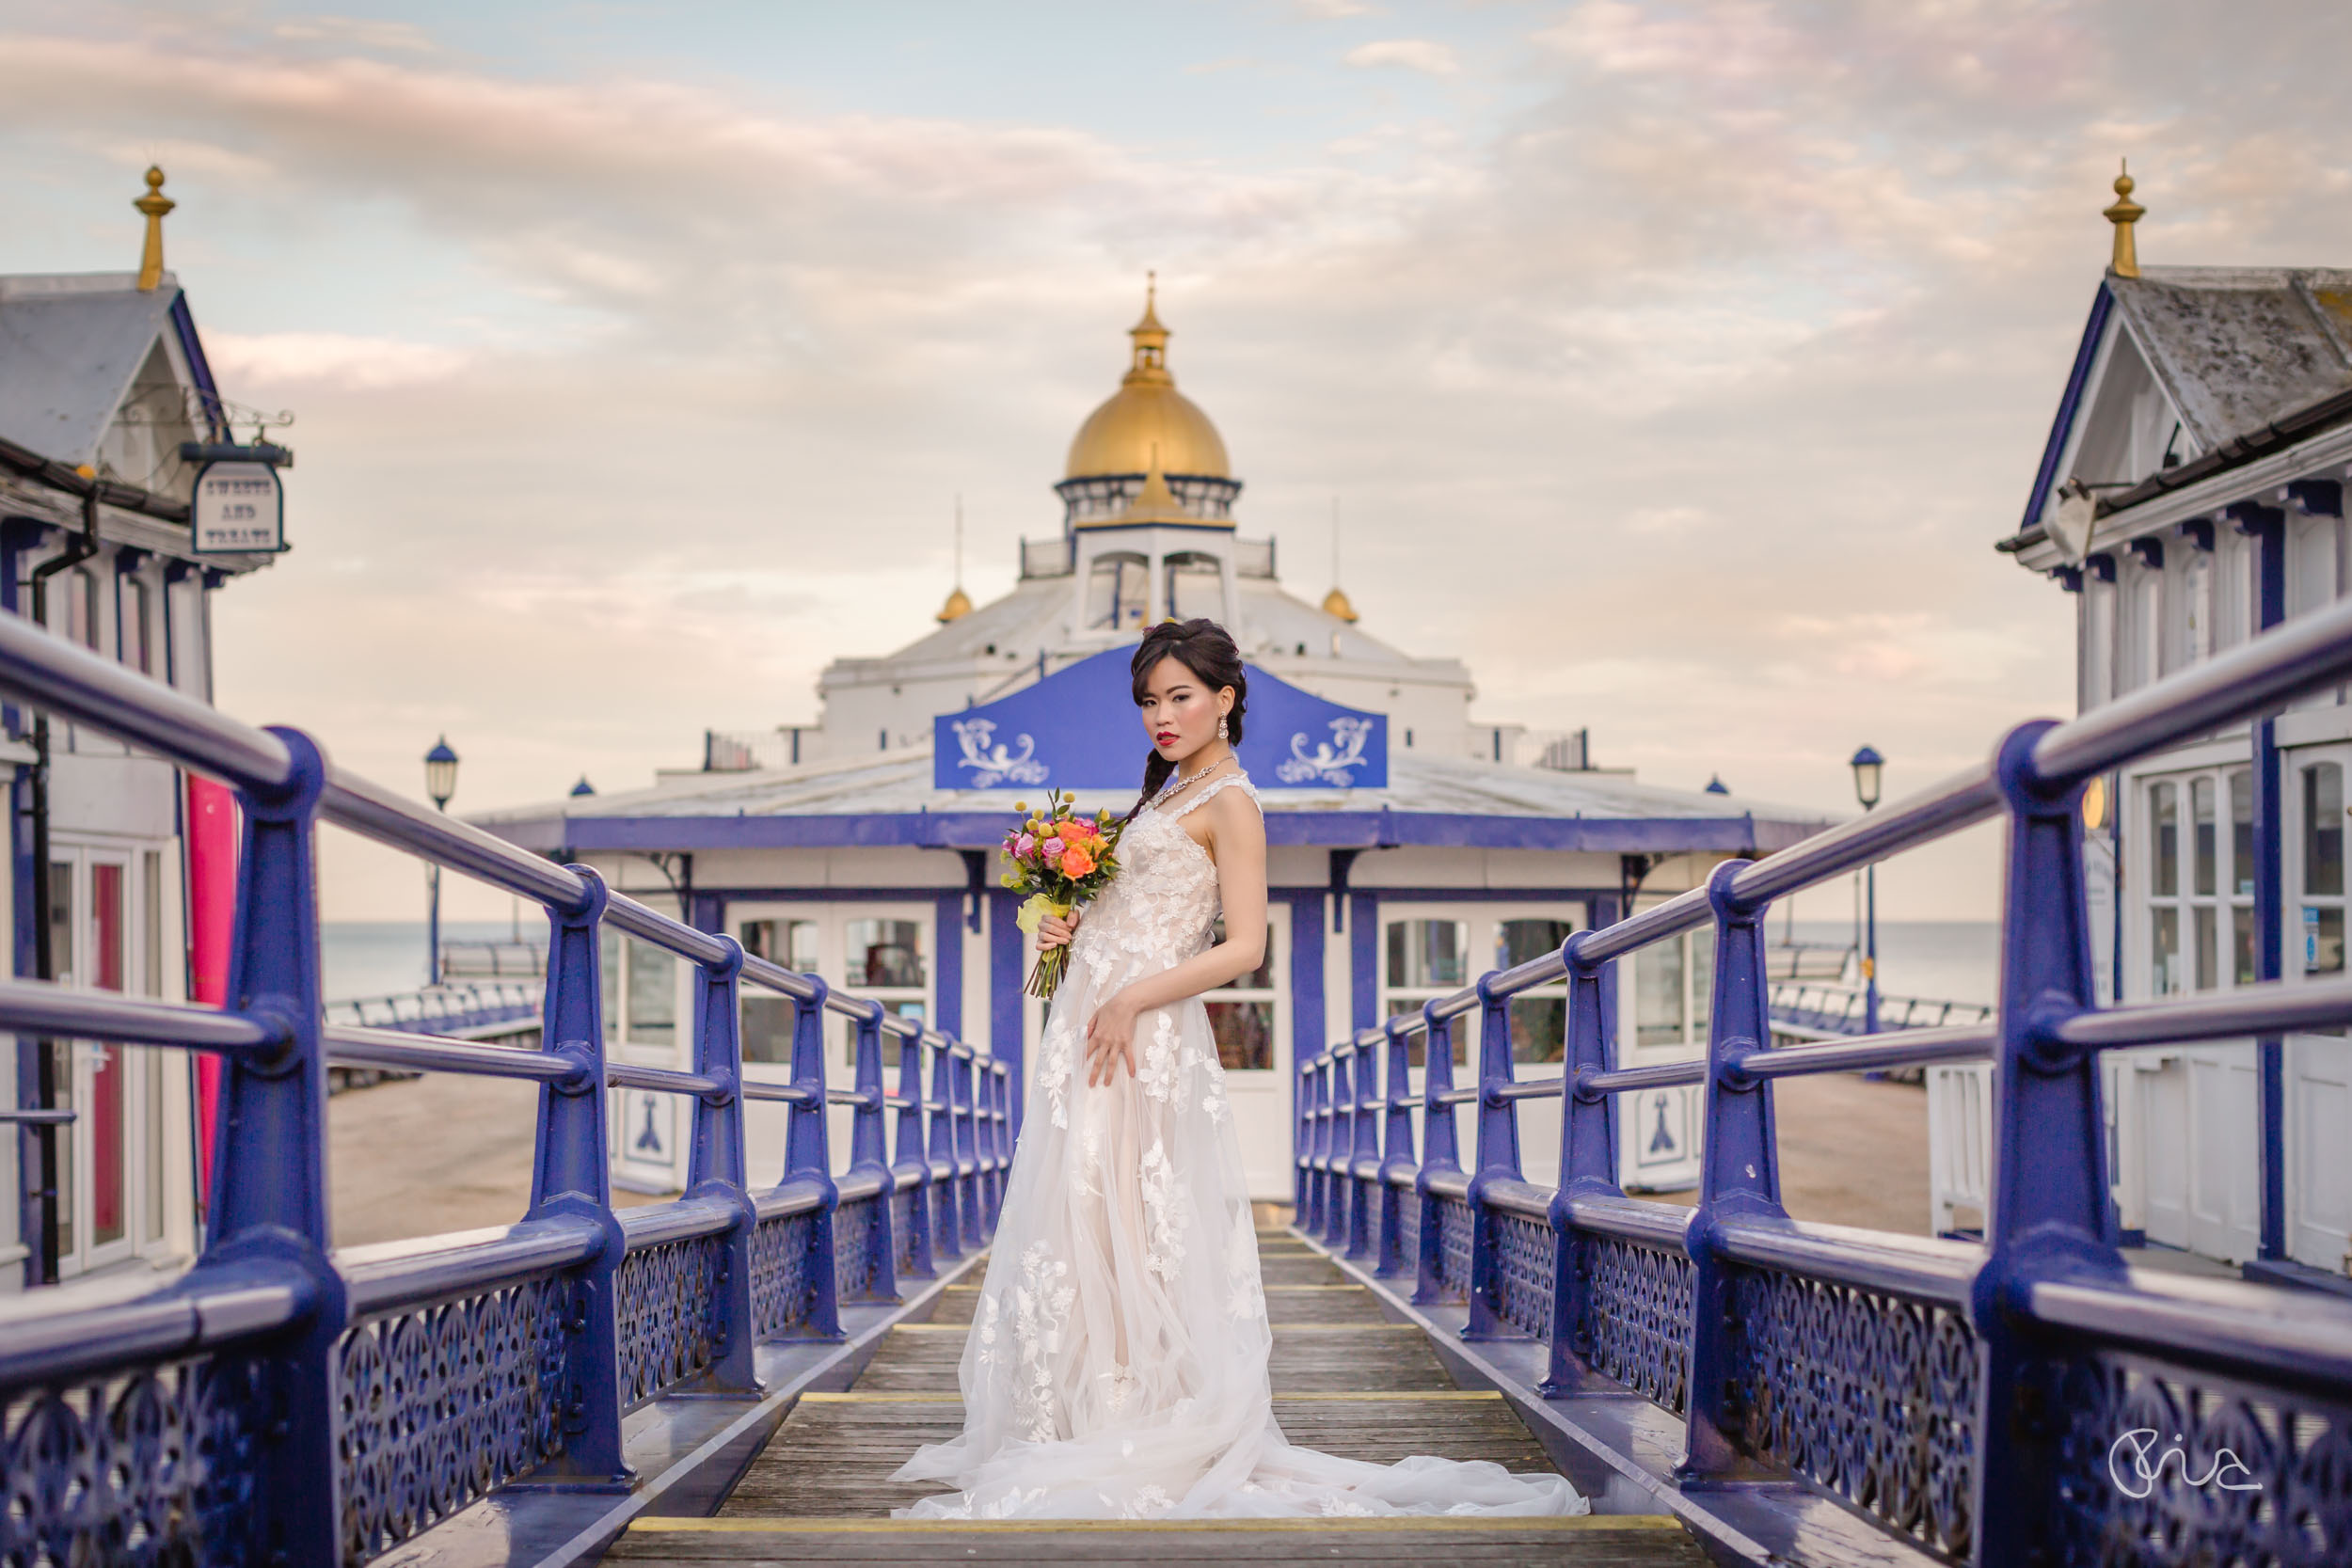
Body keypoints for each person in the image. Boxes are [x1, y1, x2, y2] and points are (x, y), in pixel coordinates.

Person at [891, 618, 1585, 1520]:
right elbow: (1134, 907)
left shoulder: (1233, 802)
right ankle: (1085, 1409)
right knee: (1088, 1214)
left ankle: (1138, 1412)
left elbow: (1246, 946)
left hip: (1140, 1033)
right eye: (1149, 699)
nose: (1162, 714)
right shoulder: (1168, 792)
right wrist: (1064, 925)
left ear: (1225, 699)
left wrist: (1134, 998)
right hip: (1092, 1023)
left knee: (1134, 1219)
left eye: (1181, 696)